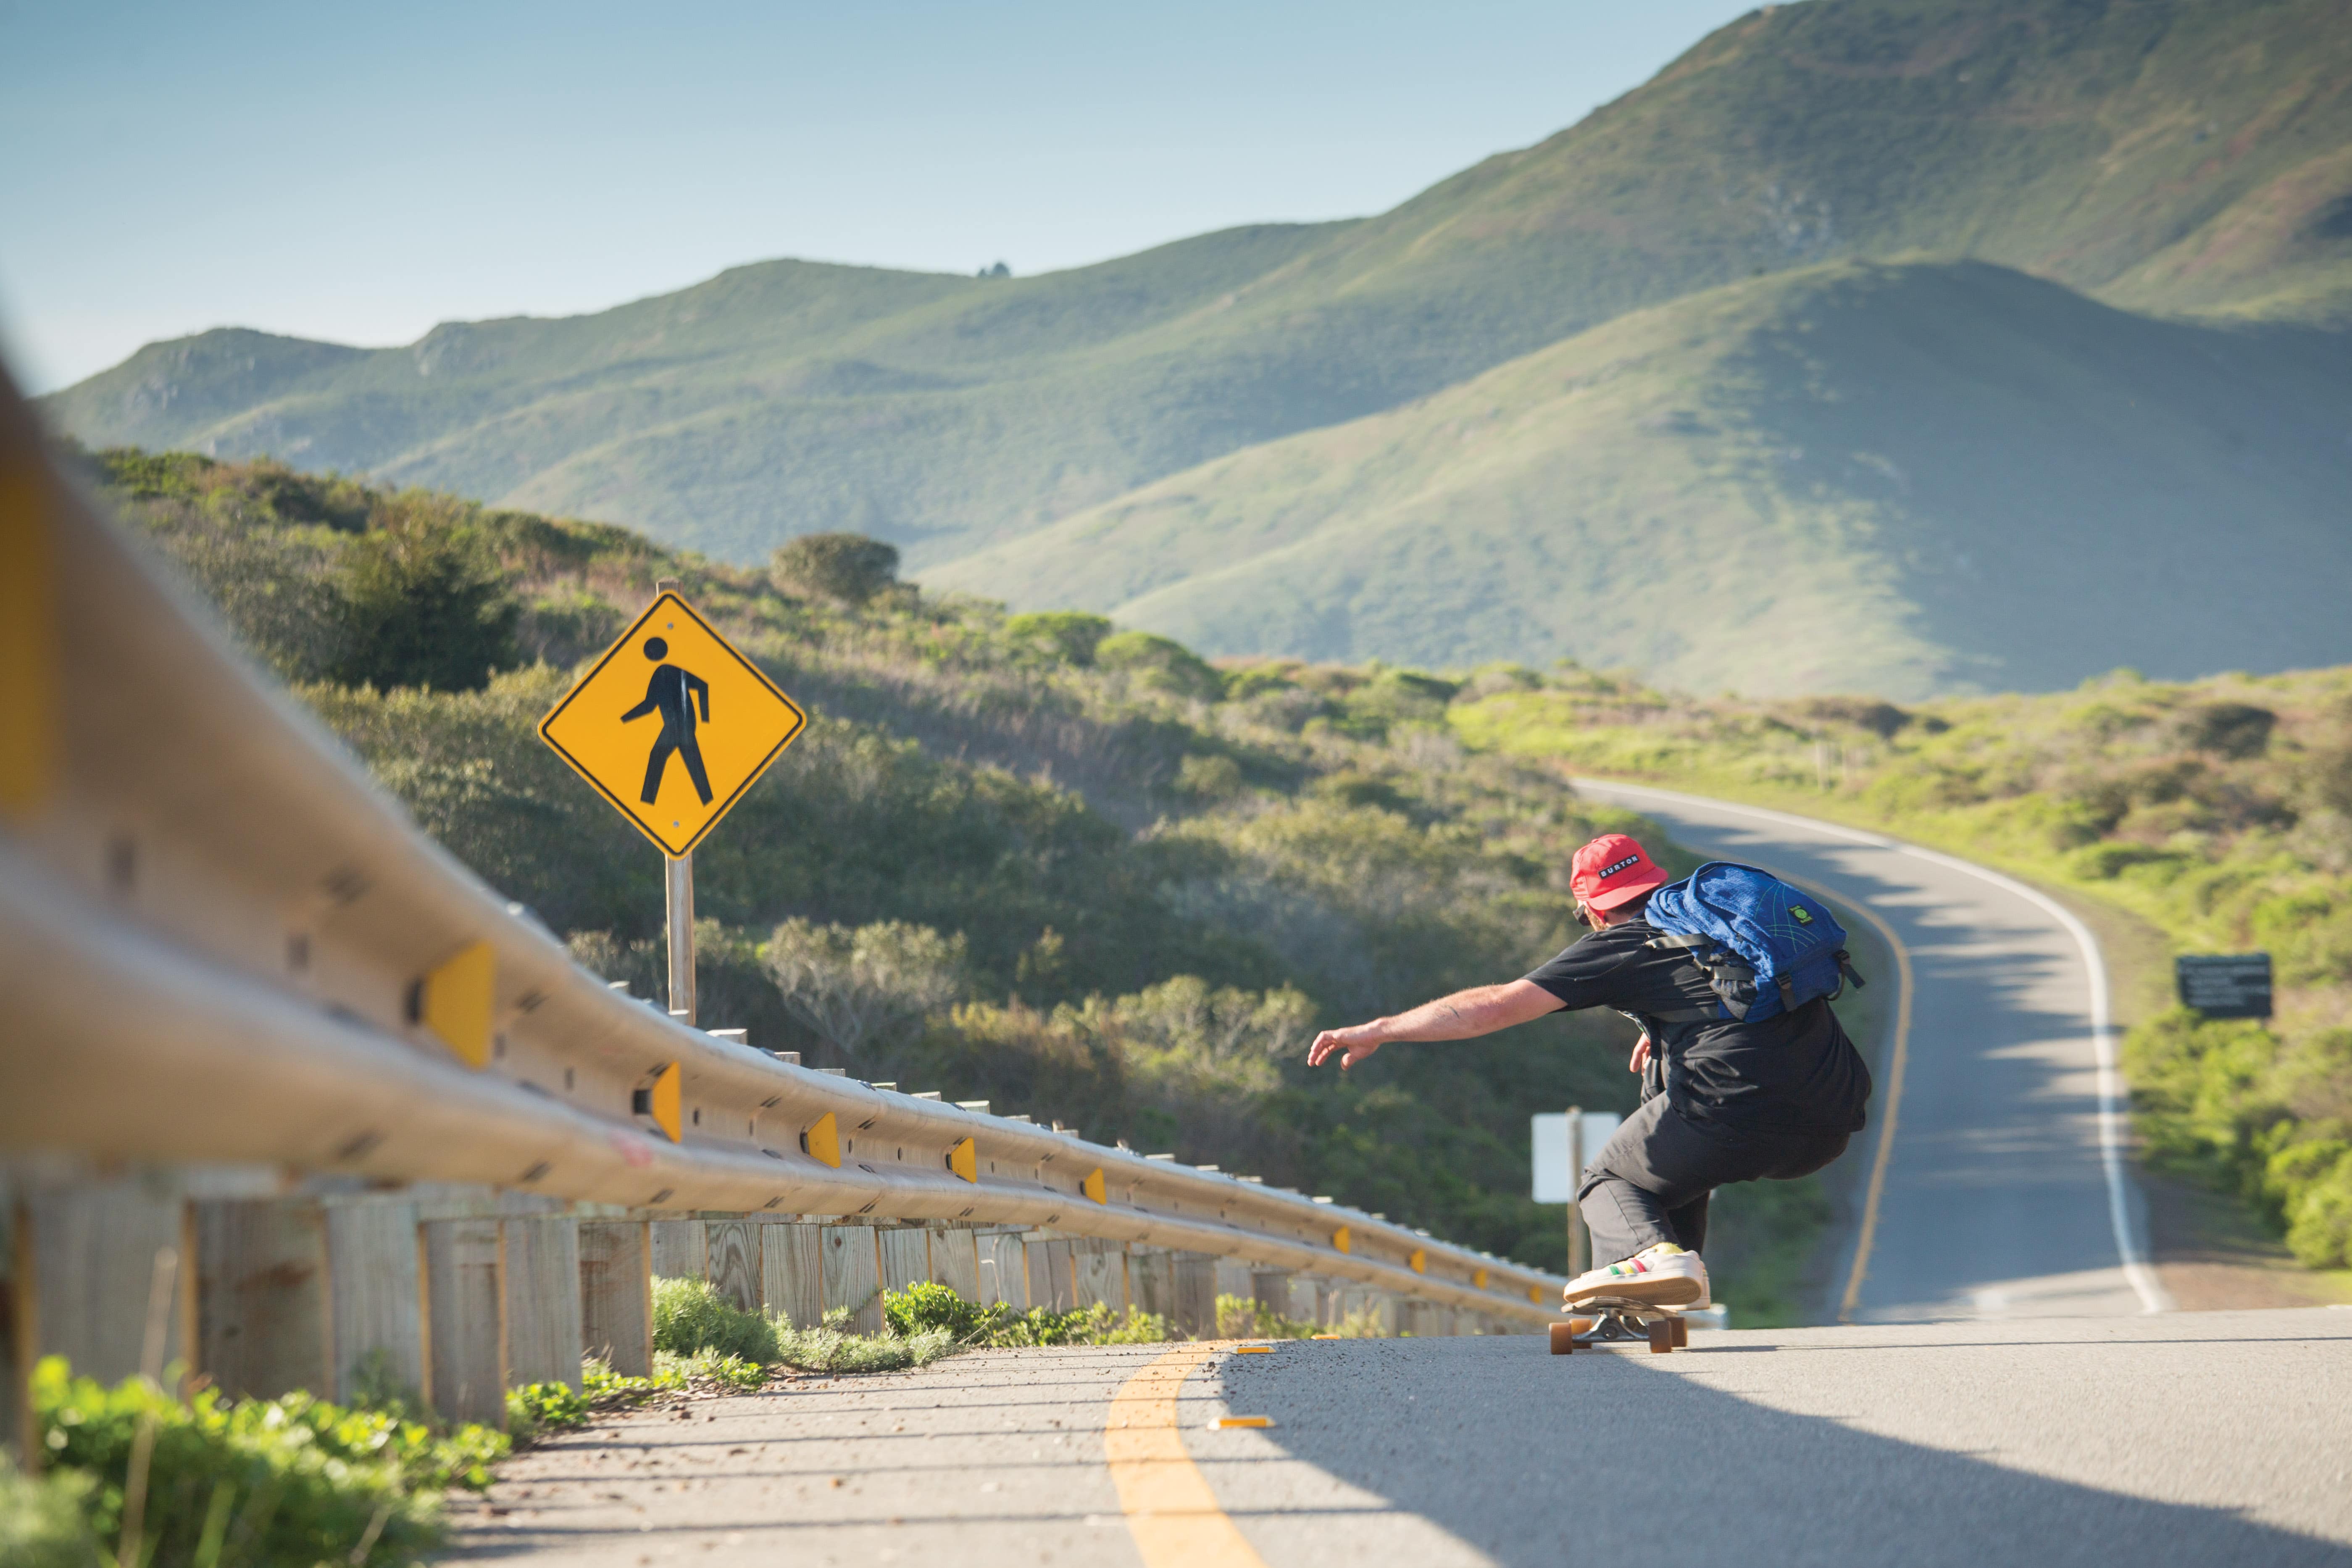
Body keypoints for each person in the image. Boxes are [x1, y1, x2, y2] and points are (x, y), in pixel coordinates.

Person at [1306, 832, 1871, 1310]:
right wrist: (1664, 1034)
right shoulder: (1727, 929)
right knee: (1662, 1164)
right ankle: (1647, 1297)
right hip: (1831, 1117)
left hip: (1739, 1112)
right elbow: (1726, 1003)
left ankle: (1652, 1263)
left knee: (1609, 1180)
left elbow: (1495, 1007)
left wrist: (1381, 1028)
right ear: (1653, 882)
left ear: (1594, 908)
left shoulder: (1623, 943)